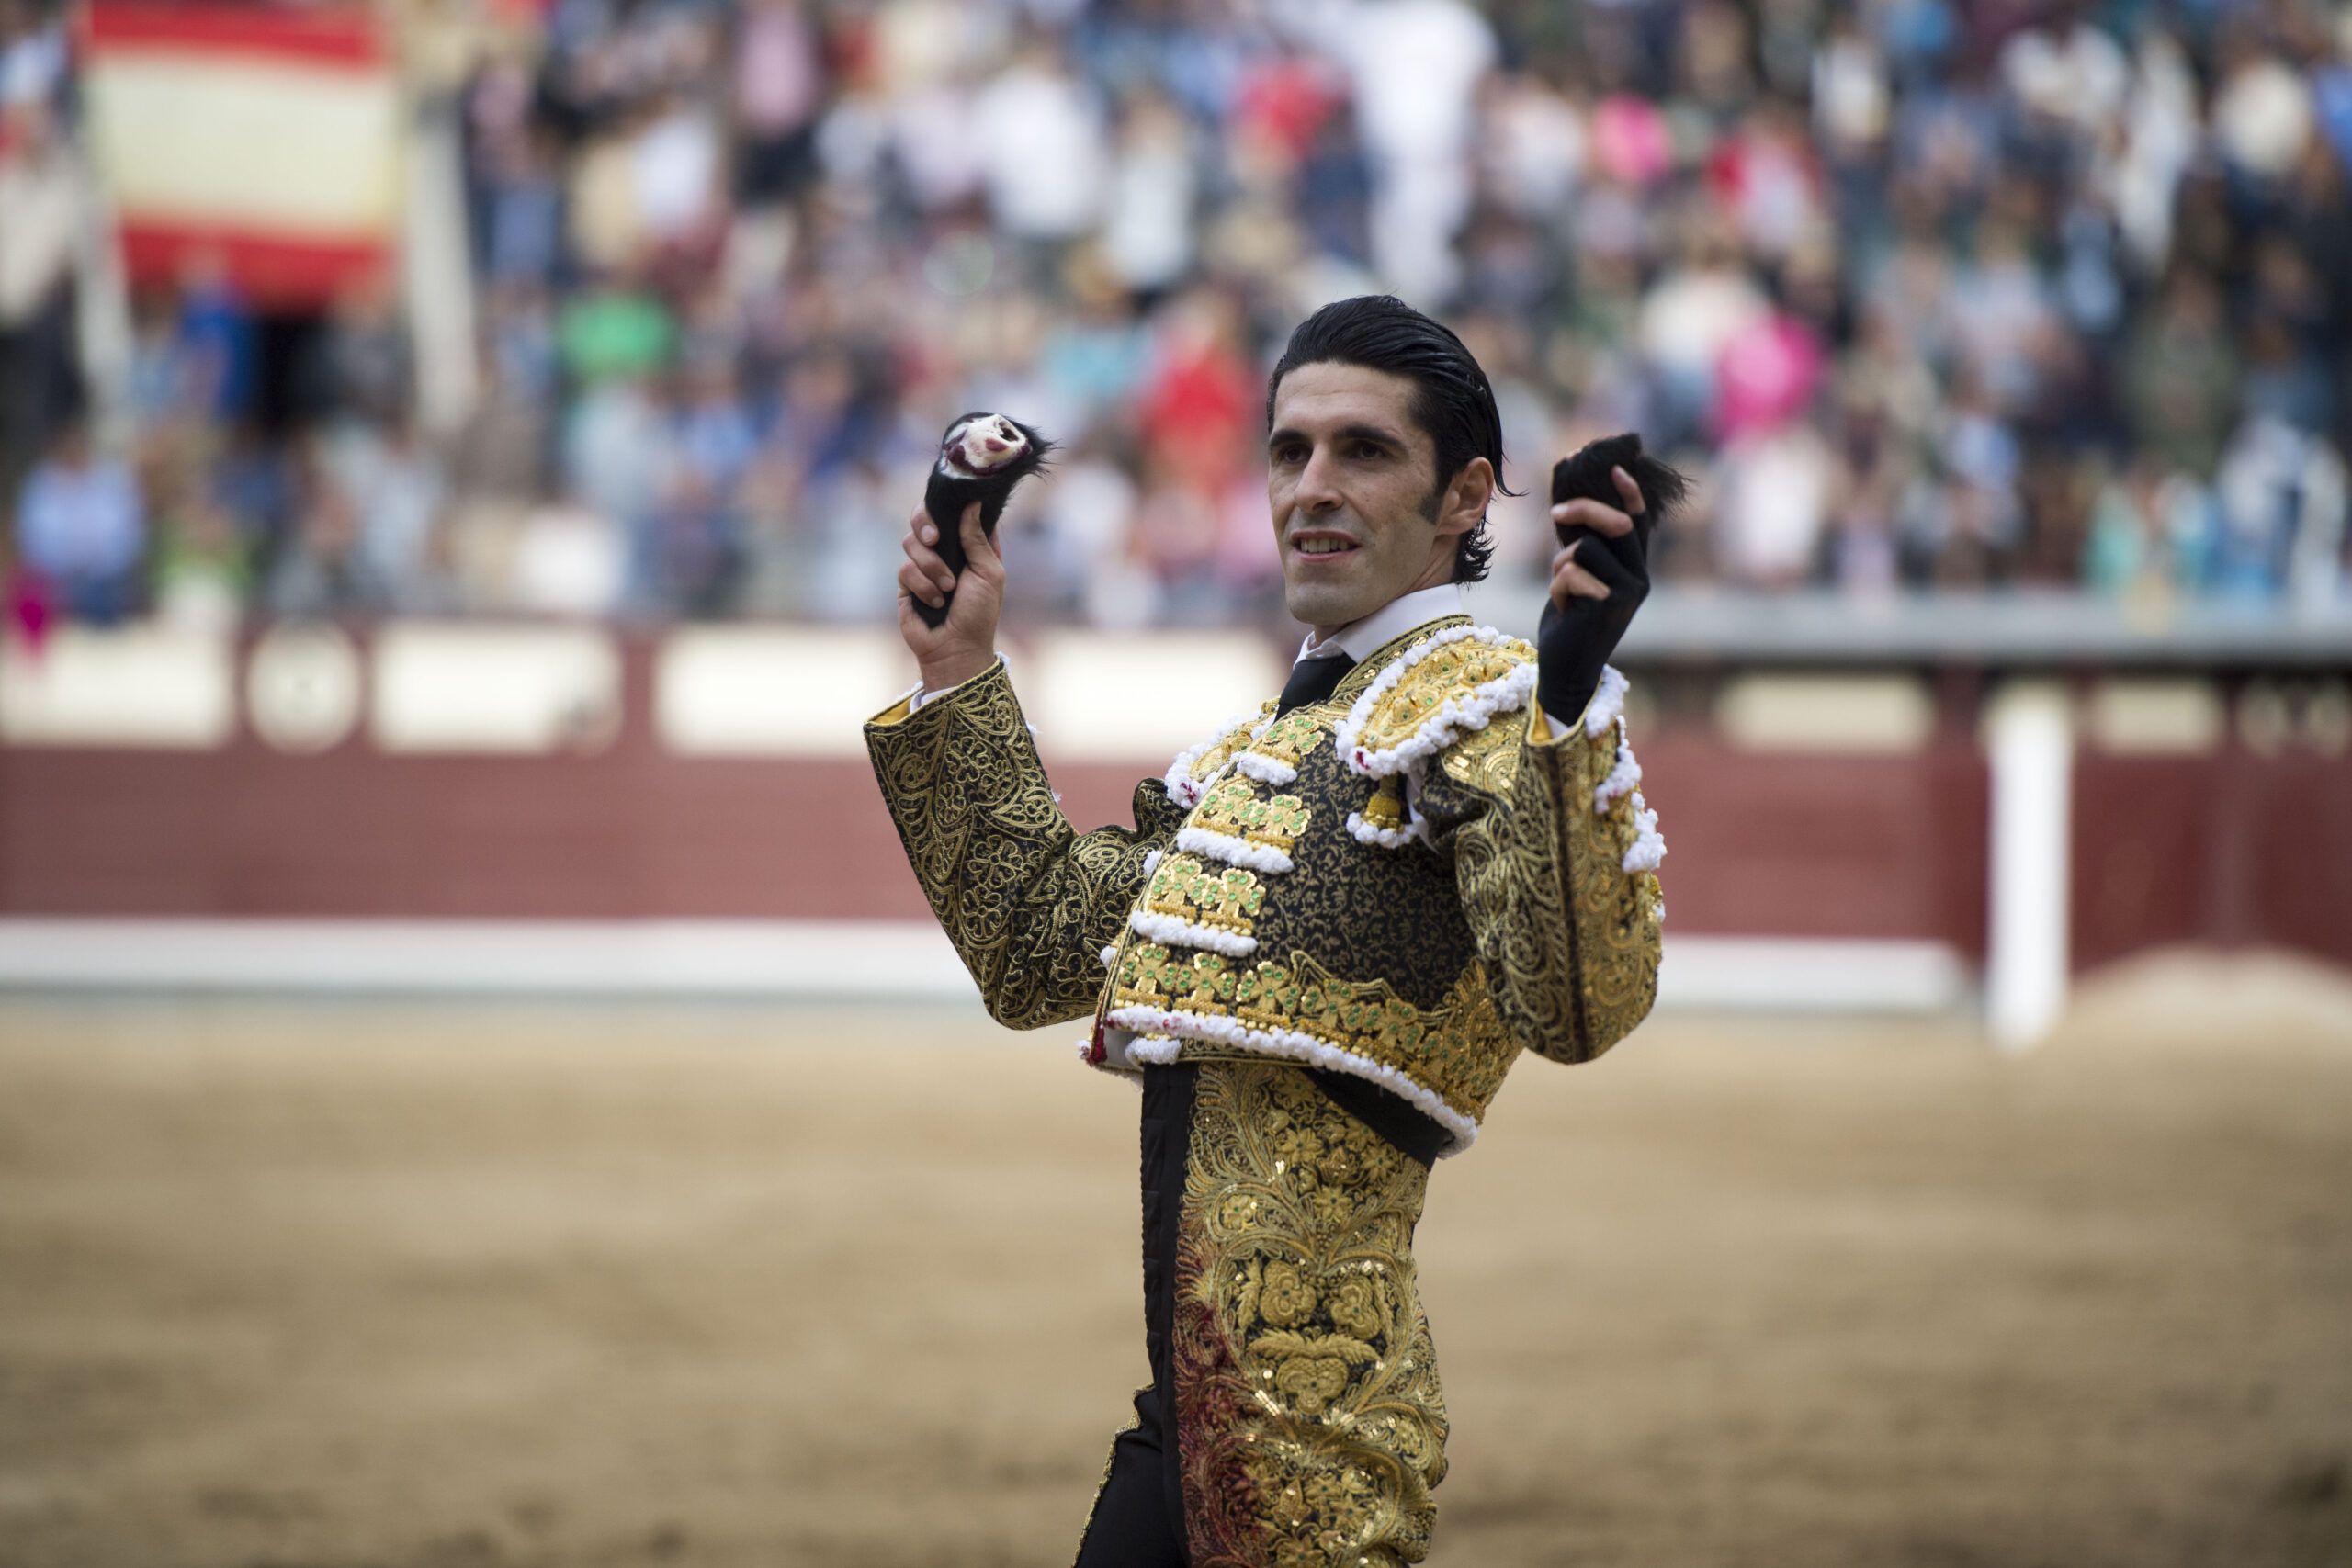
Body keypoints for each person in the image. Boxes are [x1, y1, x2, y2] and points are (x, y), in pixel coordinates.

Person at [864, 295, 1666, 1565]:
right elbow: (1034, 947)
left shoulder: (1480, 710)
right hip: (1183, 1433)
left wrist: (1564, 704)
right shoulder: (1264, 751)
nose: (1312, 487)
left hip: (1317, 1449)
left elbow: (1577, 1004)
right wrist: (961, 668)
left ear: (1464, 497)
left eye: (1365, 451)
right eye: (1291, 451)